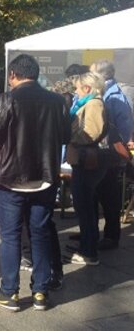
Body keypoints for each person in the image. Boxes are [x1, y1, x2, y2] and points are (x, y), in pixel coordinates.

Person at [0, 54, 70, 312]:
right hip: (45, 177)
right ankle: (41, 291)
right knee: (40, 234)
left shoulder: (6, 99)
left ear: (13, 74)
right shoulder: (57, 101)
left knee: (10, 236)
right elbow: (65, 136)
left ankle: (9, 292)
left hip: (10, 178)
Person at [89, 60, 133, 250]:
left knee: (109, 196)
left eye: (91, 73)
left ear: (101, 75)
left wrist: (117, 148)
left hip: (109, 153)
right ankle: (90, 232)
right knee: (94, 194)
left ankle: (111, 235)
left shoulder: (115, 96)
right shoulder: (104, 92)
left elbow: (124, 128)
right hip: (99, 152)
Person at [65, 72, 107, 266]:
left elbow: (91, 132)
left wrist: (70, 138)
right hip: (84, 160)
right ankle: (87, 244)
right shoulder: (90, 103)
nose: (76, 92)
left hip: (87, 161)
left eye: (78, 88)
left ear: (87, 88)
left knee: (85, 206)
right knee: (85, 206)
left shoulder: (94, 104)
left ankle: (89, 252)